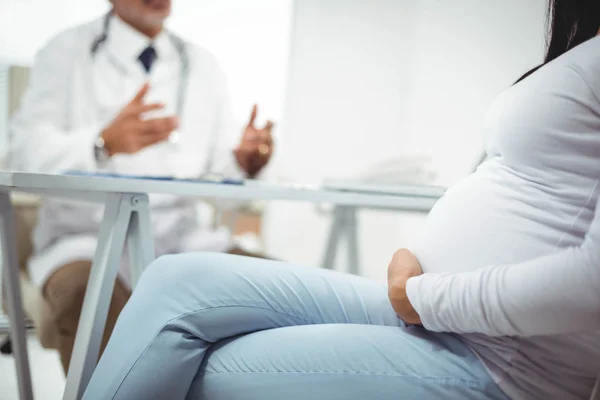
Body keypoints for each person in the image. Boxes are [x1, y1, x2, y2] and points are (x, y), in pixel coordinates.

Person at [83, 1, 600, 399]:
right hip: (441, 317)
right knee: (174, 281)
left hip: (495, 359)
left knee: (194, 367)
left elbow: (591, 282)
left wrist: (424, 295)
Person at [7, 0, 274, 374]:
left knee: (280, 290)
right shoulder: (65, 51)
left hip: (180, 239)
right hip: (85, 240)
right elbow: (23, 151)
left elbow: (219, 164)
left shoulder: (202, 64)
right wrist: (102, 144)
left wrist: (246, 160)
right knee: (87, 293)